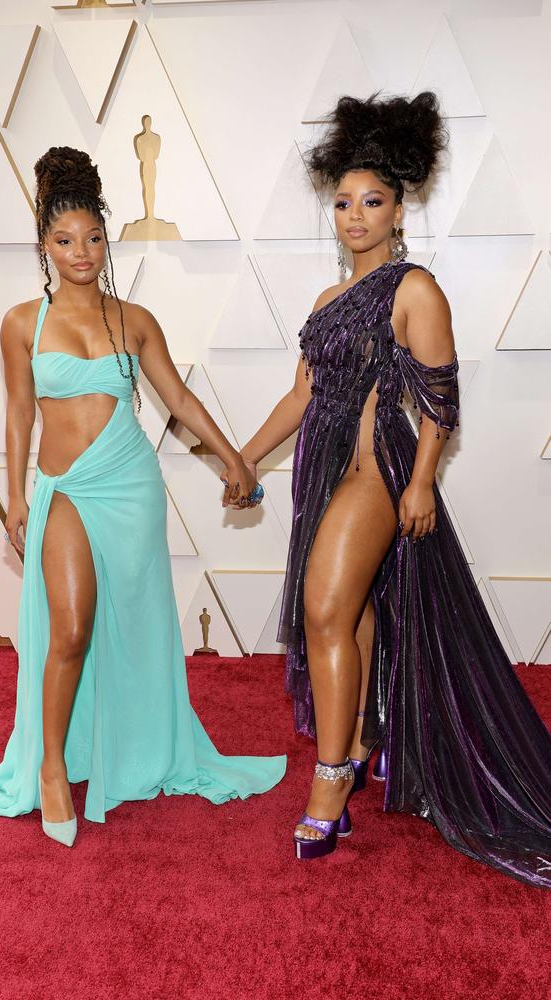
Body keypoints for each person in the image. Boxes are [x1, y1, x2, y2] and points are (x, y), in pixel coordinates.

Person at [223, 93, 551, 885]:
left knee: (325, 610)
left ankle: (331, 775)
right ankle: (364, 743)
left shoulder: (415, 289)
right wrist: (241, 457)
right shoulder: (326, 303)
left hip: (377, 467)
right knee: (354, 613)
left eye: (372, 201)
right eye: (342, 202)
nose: (355, 215)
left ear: (401, 208)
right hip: (319, 468)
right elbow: (299, 398)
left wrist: (424, 483)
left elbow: (443, 396)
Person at [0, 146, 285, 847]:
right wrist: (17, 498)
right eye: (63, 241)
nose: (79, 252)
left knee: (132, 631)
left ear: (105, 238)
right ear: (43, 245)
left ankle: (127, 747)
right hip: (65, 490)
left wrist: (233, 456)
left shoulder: (134, 319)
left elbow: (175, 398)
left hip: (130, 488)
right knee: (72, 627)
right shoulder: (22, 322)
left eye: (91, 237)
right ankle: (52, 766)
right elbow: (20, 412)